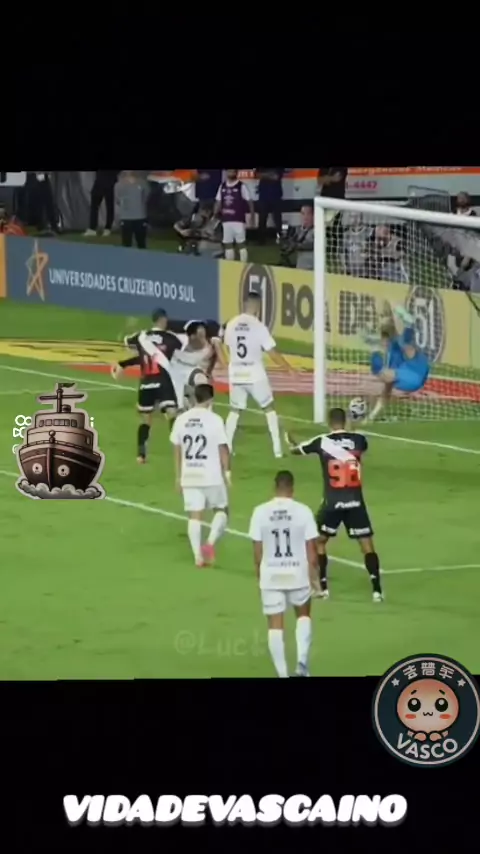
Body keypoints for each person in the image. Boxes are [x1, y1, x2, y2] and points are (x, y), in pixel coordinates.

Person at [286, 408, 383, 603]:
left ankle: (323, 588)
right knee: (367, 545)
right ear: (345, 421)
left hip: (333, 502)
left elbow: (296, 450)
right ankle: (377, 591)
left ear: (329, 423)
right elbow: (359, 444)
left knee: (318, 542)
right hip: (355, 501)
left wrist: (290, 442)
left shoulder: (322, 441)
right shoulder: (359, 440)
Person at [248, 470, 319, 678]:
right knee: (303, 615)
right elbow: (312, 551)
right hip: (297, 573)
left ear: (275, 487)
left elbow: (257, 551)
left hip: (271, 574)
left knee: (275, 625)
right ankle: (302, 663)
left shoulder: (260, 512)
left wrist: (260, 577)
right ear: (292, 488)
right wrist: (314, 577)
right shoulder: (303, 511)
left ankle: (282, 674)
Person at [222, 290, 295, 458]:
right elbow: (272, 352)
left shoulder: (232, 323)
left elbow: (228, 347)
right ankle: (277, 451)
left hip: (236, 372)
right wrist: (288, 368)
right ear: (257, 306)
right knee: (269, 409)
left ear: (245, 304)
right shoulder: (258, 326)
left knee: (234, 410)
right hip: (254, 373)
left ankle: (227, 448)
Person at [170, 383, 231, 567]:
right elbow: (223, 448)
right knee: (222, 510)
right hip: (211, 474)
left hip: (189, 474)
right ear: (211, 399)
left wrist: (178, 476)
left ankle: (198, 557)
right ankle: (210, 543)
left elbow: (177, 448)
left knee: (195, 516)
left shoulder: (181, 419)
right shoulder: (215, 420)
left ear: (195, 398)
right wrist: (227, 472)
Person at [111, 308, 183, 462]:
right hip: (163, 381)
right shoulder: (171, 338)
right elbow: (181, 354)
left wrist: (128, 327)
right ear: (163, 320)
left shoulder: (141, 336)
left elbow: (127, 343)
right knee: (172, 413)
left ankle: (141, 455)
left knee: (145, 420)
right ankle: (180, 451)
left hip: (146, 383)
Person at [364, 303, 429, 422]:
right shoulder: (392, 352)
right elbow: (386, 393)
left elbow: (390, 330)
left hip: (413, 374)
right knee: (404, 344)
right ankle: (408, 324)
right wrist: (371, 416)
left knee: (380, 371)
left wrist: (374, 348)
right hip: (416, 372)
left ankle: (408, 324)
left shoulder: (391, 353)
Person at [169, 320, 226, 410]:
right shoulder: (184, 345)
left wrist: (210, 372)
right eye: (199, 332)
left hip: (197, 375)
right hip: (188, 374)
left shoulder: (212, 342)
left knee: (202, 400)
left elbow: (217, 359)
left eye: (203, 330)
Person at [214, 169, 255, 261]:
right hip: (226, 220)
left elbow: (249, 202)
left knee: (241, 244)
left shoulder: (241, 186)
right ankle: (230, 264)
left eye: (232, 171)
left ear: (236, 173)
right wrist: (215, 213)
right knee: (228, 244)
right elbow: (218, 201)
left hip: (238, 219)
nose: (230, 173)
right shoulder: (222, 186)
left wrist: (252, 216)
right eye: (229, 171)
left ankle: (243, 264)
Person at [114, 171, 150, 249]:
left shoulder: (142, 183)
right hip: (126, 217)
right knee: (126, 243)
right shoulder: (119, 185)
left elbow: (146, 197)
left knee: (141, 242)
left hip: (140, 216)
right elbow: (117, 199)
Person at [84, 171, 119, 237]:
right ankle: (93, 228)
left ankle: (107, 228)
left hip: (109, 182)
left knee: (109, 206)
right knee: (95, 206)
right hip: (100, 181)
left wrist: (112, 175)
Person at [255, 168, 284, 244]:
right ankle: (261, 240)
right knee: (262, 218)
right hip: (263, 195)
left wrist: (264, 175)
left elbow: (276, 177)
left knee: (277, 219)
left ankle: (280, 238)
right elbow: (257, 175)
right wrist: (270, 174)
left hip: (276, 195)